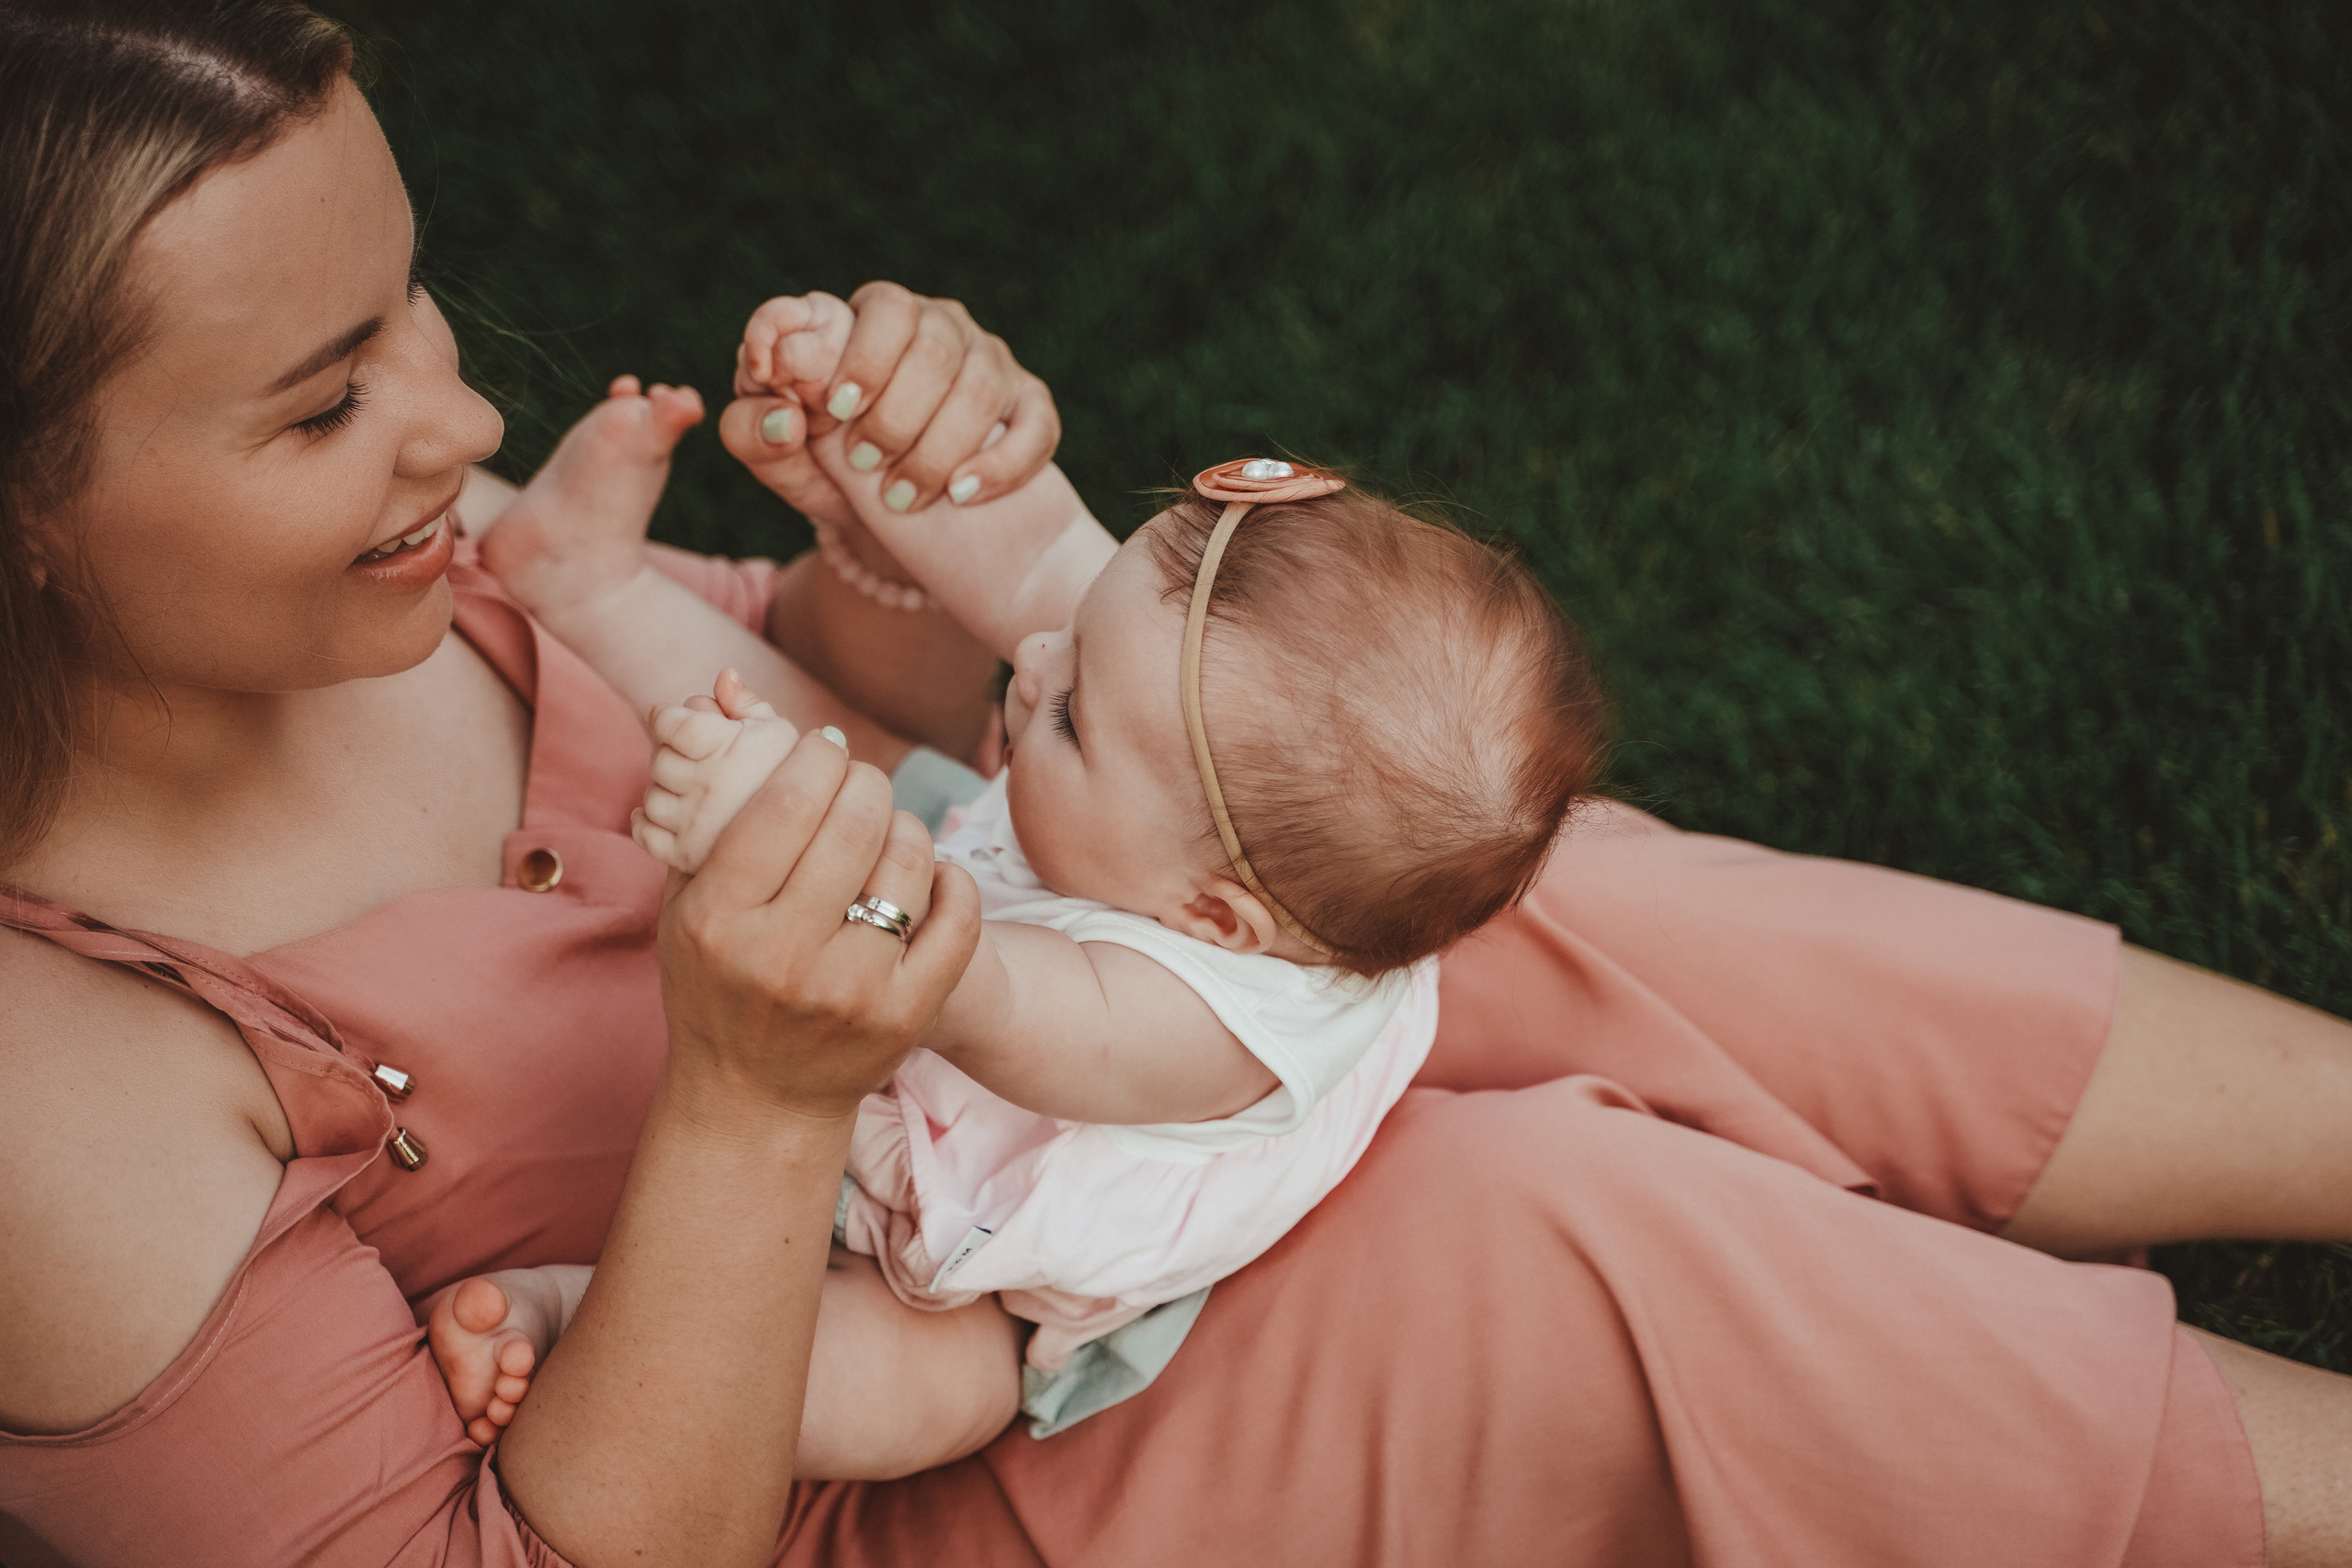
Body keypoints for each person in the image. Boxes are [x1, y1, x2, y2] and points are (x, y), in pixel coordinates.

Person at [9, 5, 2352, 1565]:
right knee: (1528, 1237)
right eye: (323, 402)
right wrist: (748, 1103)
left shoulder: (400, 583)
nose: (450, 415)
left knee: (1465, 878)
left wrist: (915, 533)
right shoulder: (52, 1090)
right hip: (873, 1429)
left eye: (411, 305)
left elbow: (871, 697)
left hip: (992, 1081)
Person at [417, 291, 1605, 1464]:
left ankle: (576, 1316)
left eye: (1076, 717)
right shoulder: (1191, 761)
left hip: (984, 1206)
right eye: (1083, 632)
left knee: (944, 1388)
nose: (1033, 663)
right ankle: (580, 583)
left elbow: (964, 978)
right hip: (976, 943)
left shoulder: (1197, 1026)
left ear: (1212, 915)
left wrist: (767, 817)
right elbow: (1034, 550)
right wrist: (865, 413)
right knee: (889, 770)